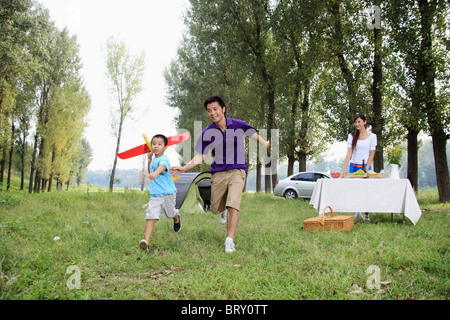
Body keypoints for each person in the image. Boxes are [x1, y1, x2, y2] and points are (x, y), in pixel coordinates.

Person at [171, 96, 270, 253]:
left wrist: (264, 143)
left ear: (223, 109)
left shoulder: (237, 124)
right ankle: (222, 210)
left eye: (215, 109)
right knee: (216, 207)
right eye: (209, 111)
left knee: (234, 204)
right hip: (218, 173)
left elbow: (251, 133)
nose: (212, 113)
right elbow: (201, 155)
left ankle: (229, 240)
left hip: (238, 170)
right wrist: (184, 168)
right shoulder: (207, 132)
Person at [139, 134, 181, 250]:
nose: (156, 146)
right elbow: (150, 170)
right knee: (151, 216)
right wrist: (149, 159)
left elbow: (162, 167)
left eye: (159, 144)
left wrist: (155, 173)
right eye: (153, 144)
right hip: (155, 194)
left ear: (165, 147)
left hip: (167, 192)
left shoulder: (164, 158)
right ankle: (145, 242)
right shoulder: (154, 159)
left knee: (169, 213)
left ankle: (176, 218)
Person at [342, 114, 377, 221]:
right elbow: (349, 152)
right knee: (354, 190)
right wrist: (345, 168)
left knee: (366, 190)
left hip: (365, 167)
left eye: (359, 122)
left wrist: (366, 168)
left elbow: (371, 154)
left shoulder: (372, 136)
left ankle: (366, 214)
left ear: (365, 122)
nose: (357, 124)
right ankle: (358, 212)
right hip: (353, 166)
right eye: (355, 122)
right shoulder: (351, 136)